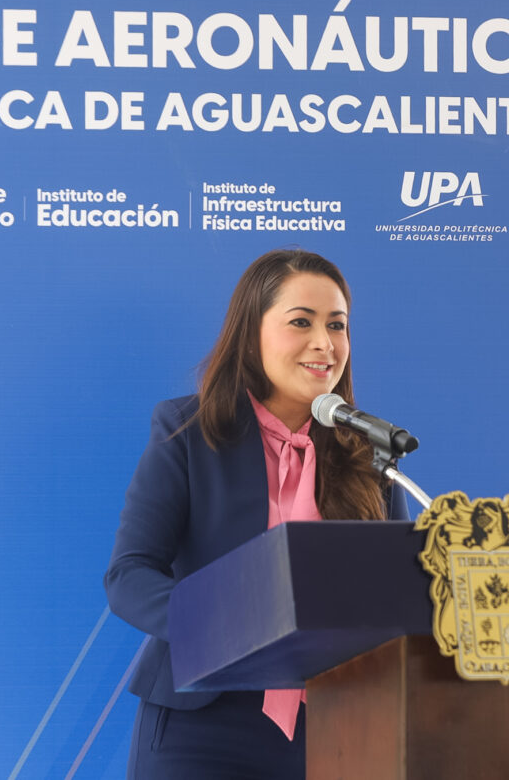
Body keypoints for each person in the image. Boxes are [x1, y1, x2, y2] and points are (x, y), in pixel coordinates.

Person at [105, 249, 410, 779]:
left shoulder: (367, 452)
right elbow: (128, 575)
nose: (325, 343)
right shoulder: (188, 431)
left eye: (337, 326)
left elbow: (402, 595)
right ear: (252, 332)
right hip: (201, 723)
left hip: (337, 727)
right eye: (301, 322)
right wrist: (223, 622)